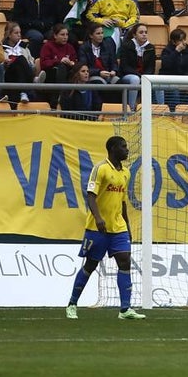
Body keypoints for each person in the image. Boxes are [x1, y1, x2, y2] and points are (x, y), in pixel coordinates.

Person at [65, 136, 146, 321]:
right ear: (112, 148)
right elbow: (91, 195)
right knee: (90, 266)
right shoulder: (100, 169)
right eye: (123, 147)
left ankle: (125, 309)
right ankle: (72, 304)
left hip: (118, 227)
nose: (127, 150)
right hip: (97, 228)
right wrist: (98, 218)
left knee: (125, 261)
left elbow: (122, 201)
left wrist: (127, 225)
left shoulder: (126, 172)